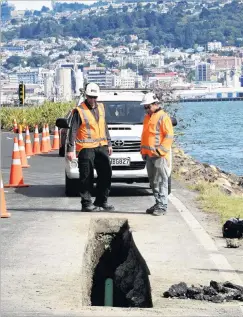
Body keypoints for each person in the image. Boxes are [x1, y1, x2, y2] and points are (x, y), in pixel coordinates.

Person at [66, 83, 115, 212]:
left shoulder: (102, 108)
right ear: (86, 96)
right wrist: (70, 149)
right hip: (86, 147)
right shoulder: (79, 110)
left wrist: (109, 143)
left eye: (95, 97)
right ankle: (86, 203)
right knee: (86, 176)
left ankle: (101, 201)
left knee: (106, 174)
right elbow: (73, 131)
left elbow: (104, 126)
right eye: (90, 97)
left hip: (101, 146)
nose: (93, 100)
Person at [140, 93, 174, 216]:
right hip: (149, 155)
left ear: (155, 104)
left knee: (161, 181)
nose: (146, 109)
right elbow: (145, 136)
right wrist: (143, 151)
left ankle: (162, 205)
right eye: (145, 107)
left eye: (148, 106)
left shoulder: (163, 117)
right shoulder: (147, 117)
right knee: (153, 182)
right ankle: (158, 202)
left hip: (160, 156)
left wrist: (160, 151)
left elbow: (169, 136)